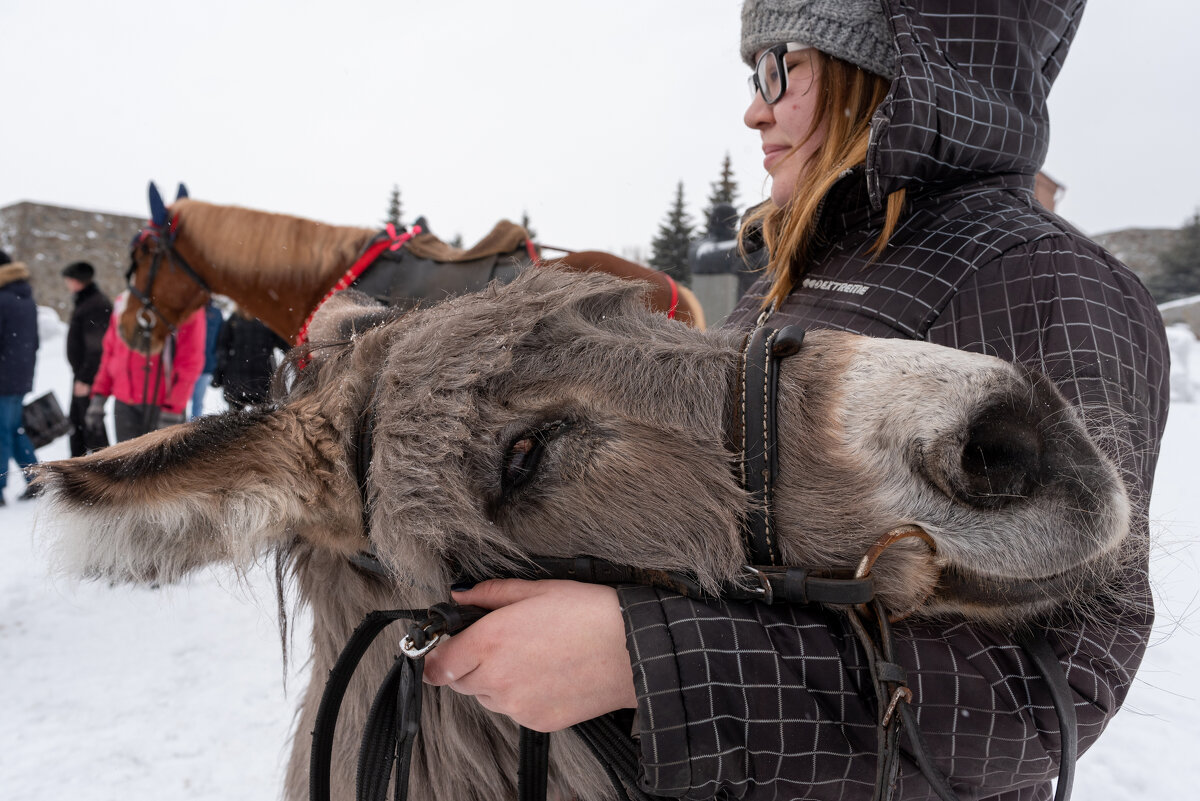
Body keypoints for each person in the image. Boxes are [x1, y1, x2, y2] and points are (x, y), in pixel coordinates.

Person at [419, 2, 1170, 799]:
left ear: (893, 73)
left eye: (781, 65)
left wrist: (646, 659)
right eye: (753, 73)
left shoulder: (1050, 280)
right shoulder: (800, 269)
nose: (753, 107)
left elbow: (1048, 691)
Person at [88, 291, 207, 442]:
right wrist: (99, 395)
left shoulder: (185, 305)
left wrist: (174, 407)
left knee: (166, 465)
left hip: (163, 407)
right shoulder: (123, 302)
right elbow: (111, 353)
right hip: (125, 405)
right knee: (127, 464)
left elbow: (190, 362)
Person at [0, 249, 41, 504]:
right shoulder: (26, 298)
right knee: (13, 430)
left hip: (3, 377)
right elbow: (33, 341)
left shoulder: (2, 299)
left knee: (2, 432)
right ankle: (36, 479)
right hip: (19, 377)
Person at [61, 261, 113, 455]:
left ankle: (107, 471)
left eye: (68, 280)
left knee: (91, 427)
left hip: (90, 376)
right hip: (83, 373)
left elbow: (97, 347)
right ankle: (78, 470)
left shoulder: (95, 304)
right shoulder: (87, 301)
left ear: (76, 281)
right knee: (78, 425)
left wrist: (85, 378)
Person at [211, 307, 289, 408]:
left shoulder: (235, 319)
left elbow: (222, 348)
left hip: (236, 379)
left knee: (233, 421)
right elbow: (285, 345)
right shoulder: (268, 321)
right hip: (262, 379)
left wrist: (219, 373)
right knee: (262, 420)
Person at [189, 298, 224, 420]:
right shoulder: (189, 310)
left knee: (197, 403)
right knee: (180, 402)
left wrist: (217, 360)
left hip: (206, 366)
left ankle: (191, 431)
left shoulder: (216, 313)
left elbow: (221, 340)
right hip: (187, 366)